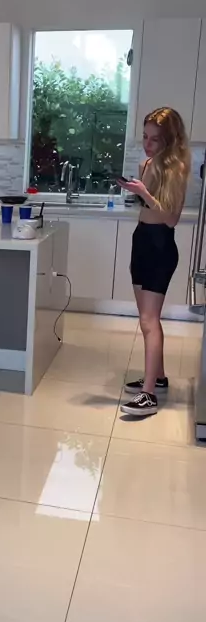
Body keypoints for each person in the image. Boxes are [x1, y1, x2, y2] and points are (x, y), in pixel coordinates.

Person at [118, 107, 191, 417]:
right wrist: (136, 192)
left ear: (169, 140)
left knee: (150, 321)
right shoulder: (146, 163)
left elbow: (170, 219)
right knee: (145, 318)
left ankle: (148, 395)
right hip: (142, 241)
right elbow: (148, 209)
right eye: (145, 137)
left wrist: (144, 193)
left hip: (161, 246)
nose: (147, 145)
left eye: (155, 139)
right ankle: (157, 377)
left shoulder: (176, 169)